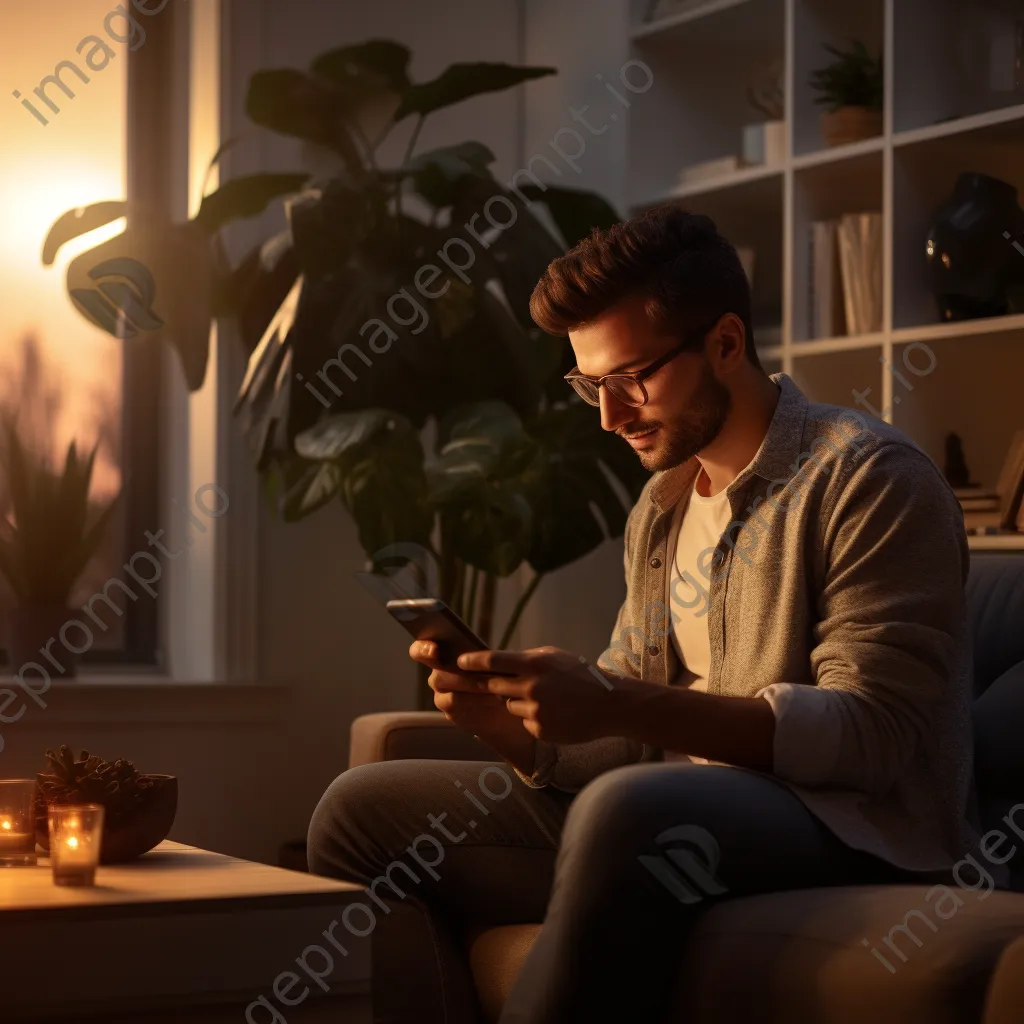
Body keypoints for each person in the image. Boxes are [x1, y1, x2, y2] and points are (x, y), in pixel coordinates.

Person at [307, 205, 995, 1024]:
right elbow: (629, 733)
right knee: (359, 809)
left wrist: (616, 703)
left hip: (852, 833)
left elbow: (873, 737)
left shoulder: (869, 477)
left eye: (631, 378)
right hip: (664, 816)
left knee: (634, 807)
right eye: (589, 385)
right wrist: (514, 730)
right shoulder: (664, 505)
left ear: (727, 343)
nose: (609, 414)